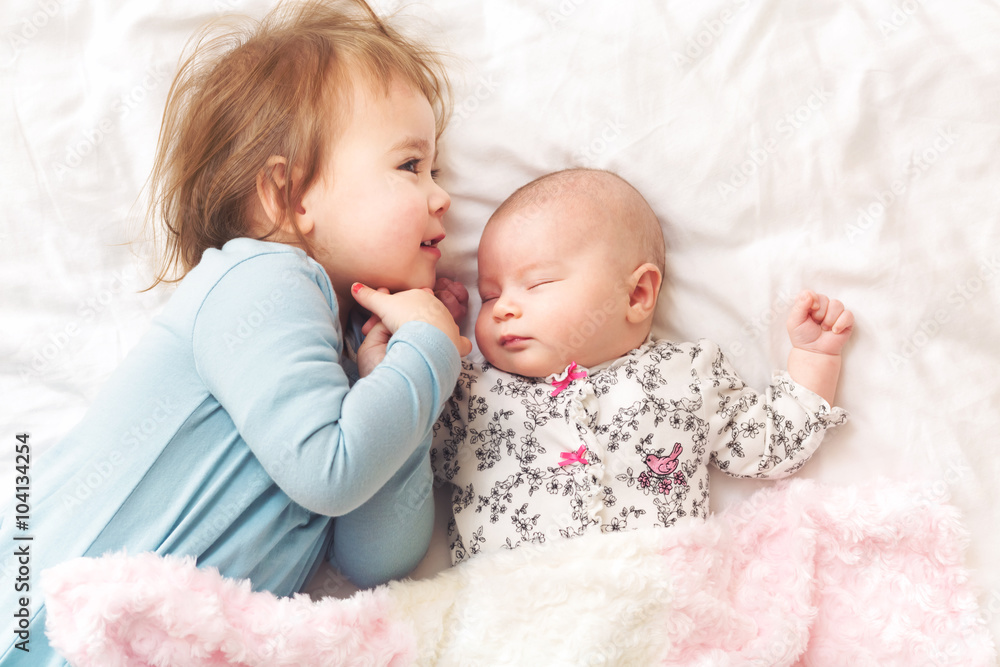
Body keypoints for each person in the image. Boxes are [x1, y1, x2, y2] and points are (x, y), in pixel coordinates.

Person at [0, 1, 471, 663]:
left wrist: (397, 386)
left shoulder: (337, 358)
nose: (441, 195)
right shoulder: (262, 280)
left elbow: (377, 558)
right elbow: (329, 473)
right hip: (41, 624)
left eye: (439, 171)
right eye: (409, 165)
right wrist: (426, 354)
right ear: (286, 195)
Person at [431, 168, 853, 563]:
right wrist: (434, 346)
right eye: (488, 295)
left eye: (537, 284)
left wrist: (816, 358)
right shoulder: (471, 395)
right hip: (514, 611)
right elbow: (405, 451)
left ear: (636, 296)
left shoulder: (687, 377)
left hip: (656, 597)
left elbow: (772, 445)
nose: (503, 308)